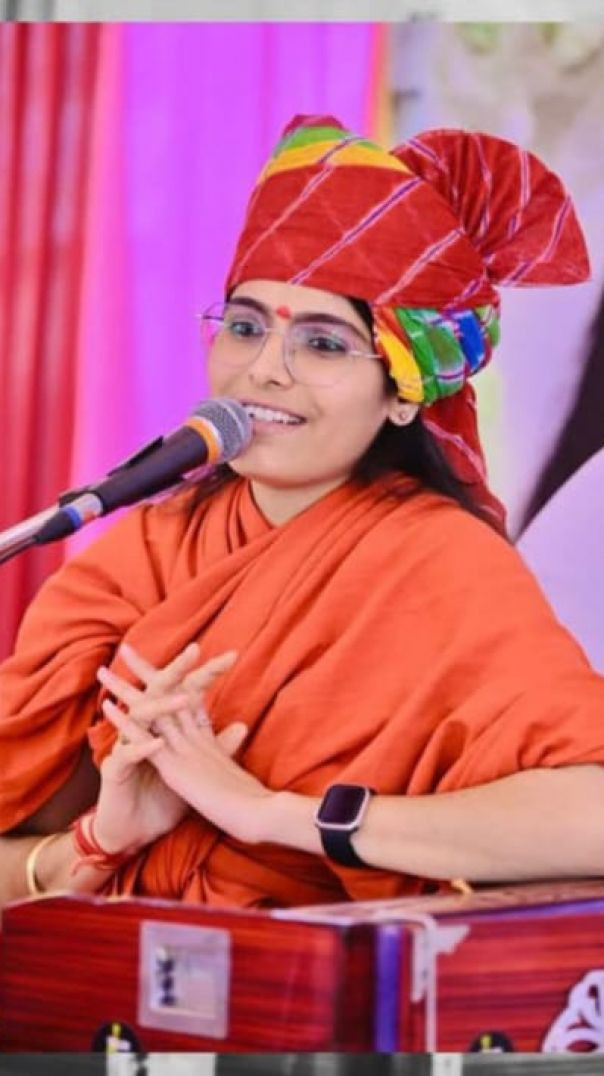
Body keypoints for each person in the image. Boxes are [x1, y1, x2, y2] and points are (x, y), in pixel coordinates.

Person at [1, 114, 604, 912]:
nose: (264, 371)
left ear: (403, 394)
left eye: (323, 344)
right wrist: (97, 843)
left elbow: (591, 818)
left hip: (304, 981)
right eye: (244, 327)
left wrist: (273, 814)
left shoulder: (439, 563)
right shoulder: (142, 553)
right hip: (92, 972)